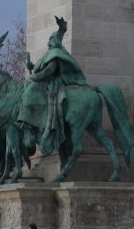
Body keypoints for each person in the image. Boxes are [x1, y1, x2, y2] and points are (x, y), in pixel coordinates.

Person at [17, 16, 87, 153]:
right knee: (29, 88)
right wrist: (32, 66)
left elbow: (49, 70)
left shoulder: (56, 54)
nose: (48, 42)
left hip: (54, 83)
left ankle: (43, 126)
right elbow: (43, 67)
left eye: (51, 39)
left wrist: (34, 77)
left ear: (55, 40)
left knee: (31, 90)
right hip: (48, 82)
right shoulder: (51, 54)